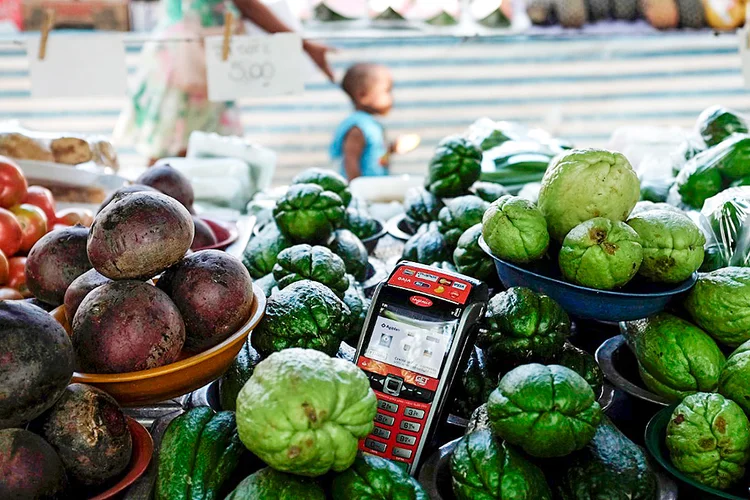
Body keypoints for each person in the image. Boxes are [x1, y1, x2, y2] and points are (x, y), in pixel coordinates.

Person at [115, 0, 335, 165]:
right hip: (191, 62)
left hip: (188, 57)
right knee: (185, 155)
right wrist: (305, 45)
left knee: (176, 155)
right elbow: (248, 6)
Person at [330, 63, 394, 181]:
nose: (391, 97)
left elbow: (374, 153)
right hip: (363, 192)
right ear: (363, 95)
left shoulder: (371, 125)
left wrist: (392, 148)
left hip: (373, 190)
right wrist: (357, 188)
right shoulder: (358, 128)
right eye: (387, 91)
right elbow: (350, 161)